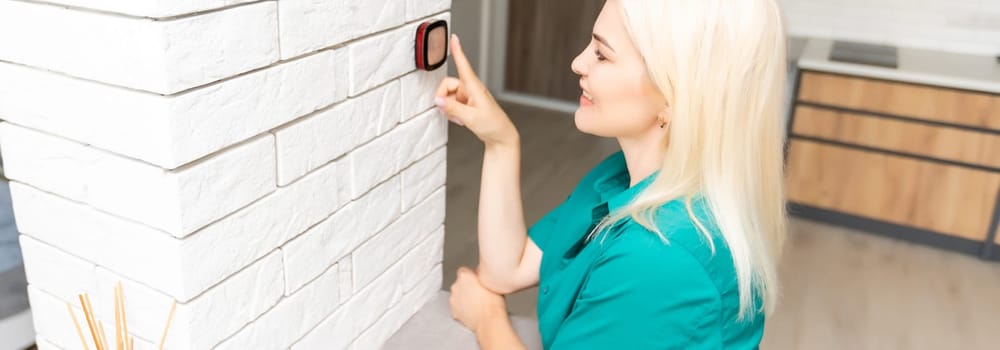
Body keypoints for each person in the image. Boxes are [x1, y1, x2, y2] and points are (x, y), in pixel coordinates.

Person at [437, 0, 788, 348]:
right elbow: (506, 269)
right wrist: (501, 141)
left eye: (602, 54)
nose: (578, 63)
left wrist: (488, 318)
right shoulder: (622, 177)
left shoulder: (660, 257)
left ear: (673, 94)